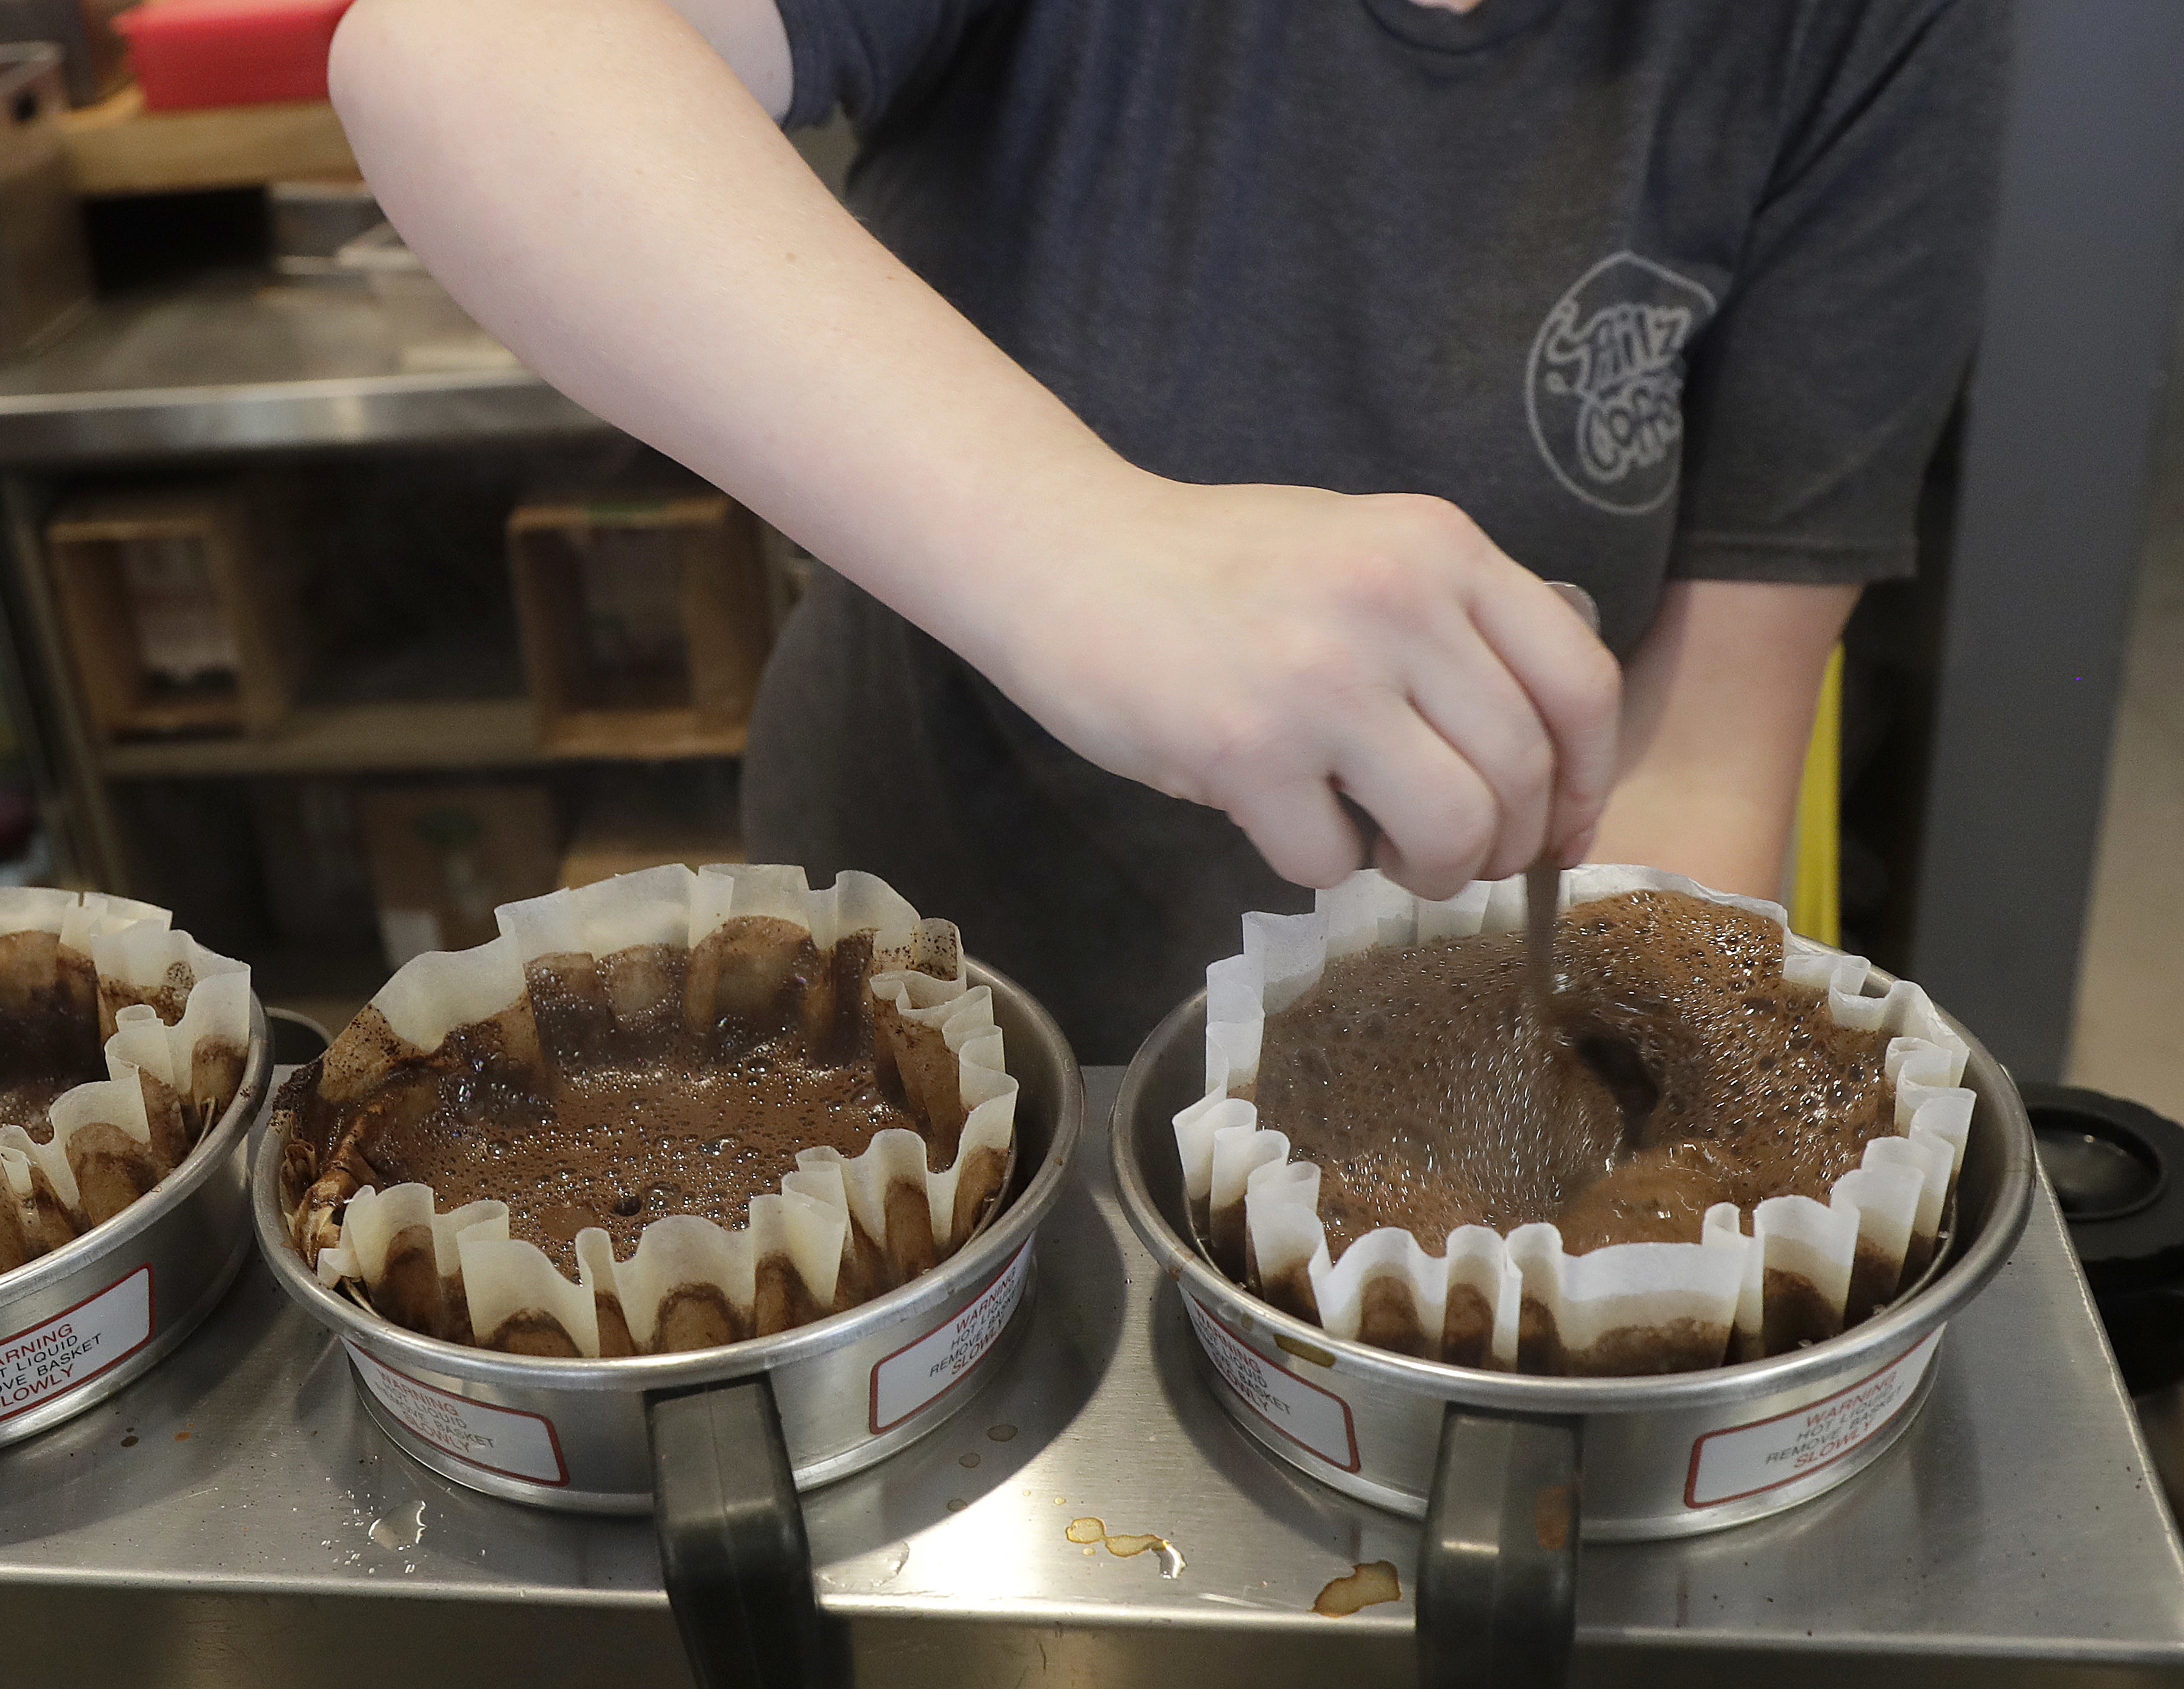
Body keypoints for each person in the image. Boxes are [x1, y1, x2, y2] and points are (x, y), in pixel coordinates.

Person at [327, 0, 2006, 1056]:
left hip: (1441, 1051)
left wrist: (1585, 1139)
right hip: (927, 991)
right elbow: (471, 46)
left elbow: (1704, 742)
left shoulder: (1872, 29)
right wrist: (1082, 553)